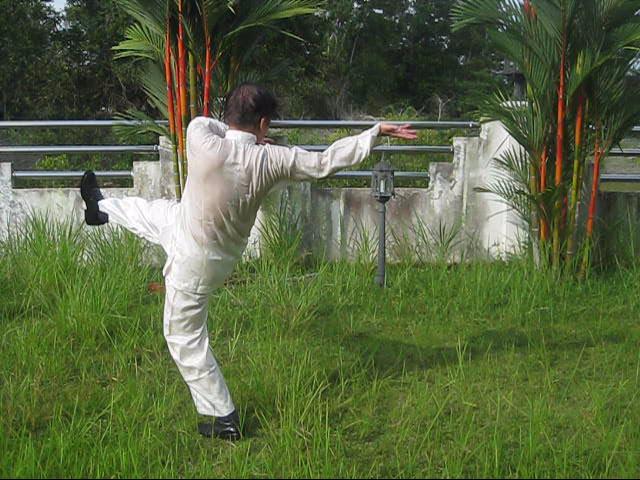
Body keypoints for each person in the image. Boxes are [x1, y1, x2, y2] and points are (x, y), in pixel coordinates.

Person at [80, 83, 417, 441]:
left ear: (229, 116)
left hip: (193, 260)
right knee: (156, 213)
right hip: (211, 248)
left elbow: (212, 126)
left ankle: (222, 417)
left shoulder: (200, 136)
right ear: (264, 123)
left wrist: (248, 137)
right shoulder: (271, 160)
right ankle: (100, 209)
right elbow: (325, 162)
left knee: (183, 336)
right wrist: (374, 132)